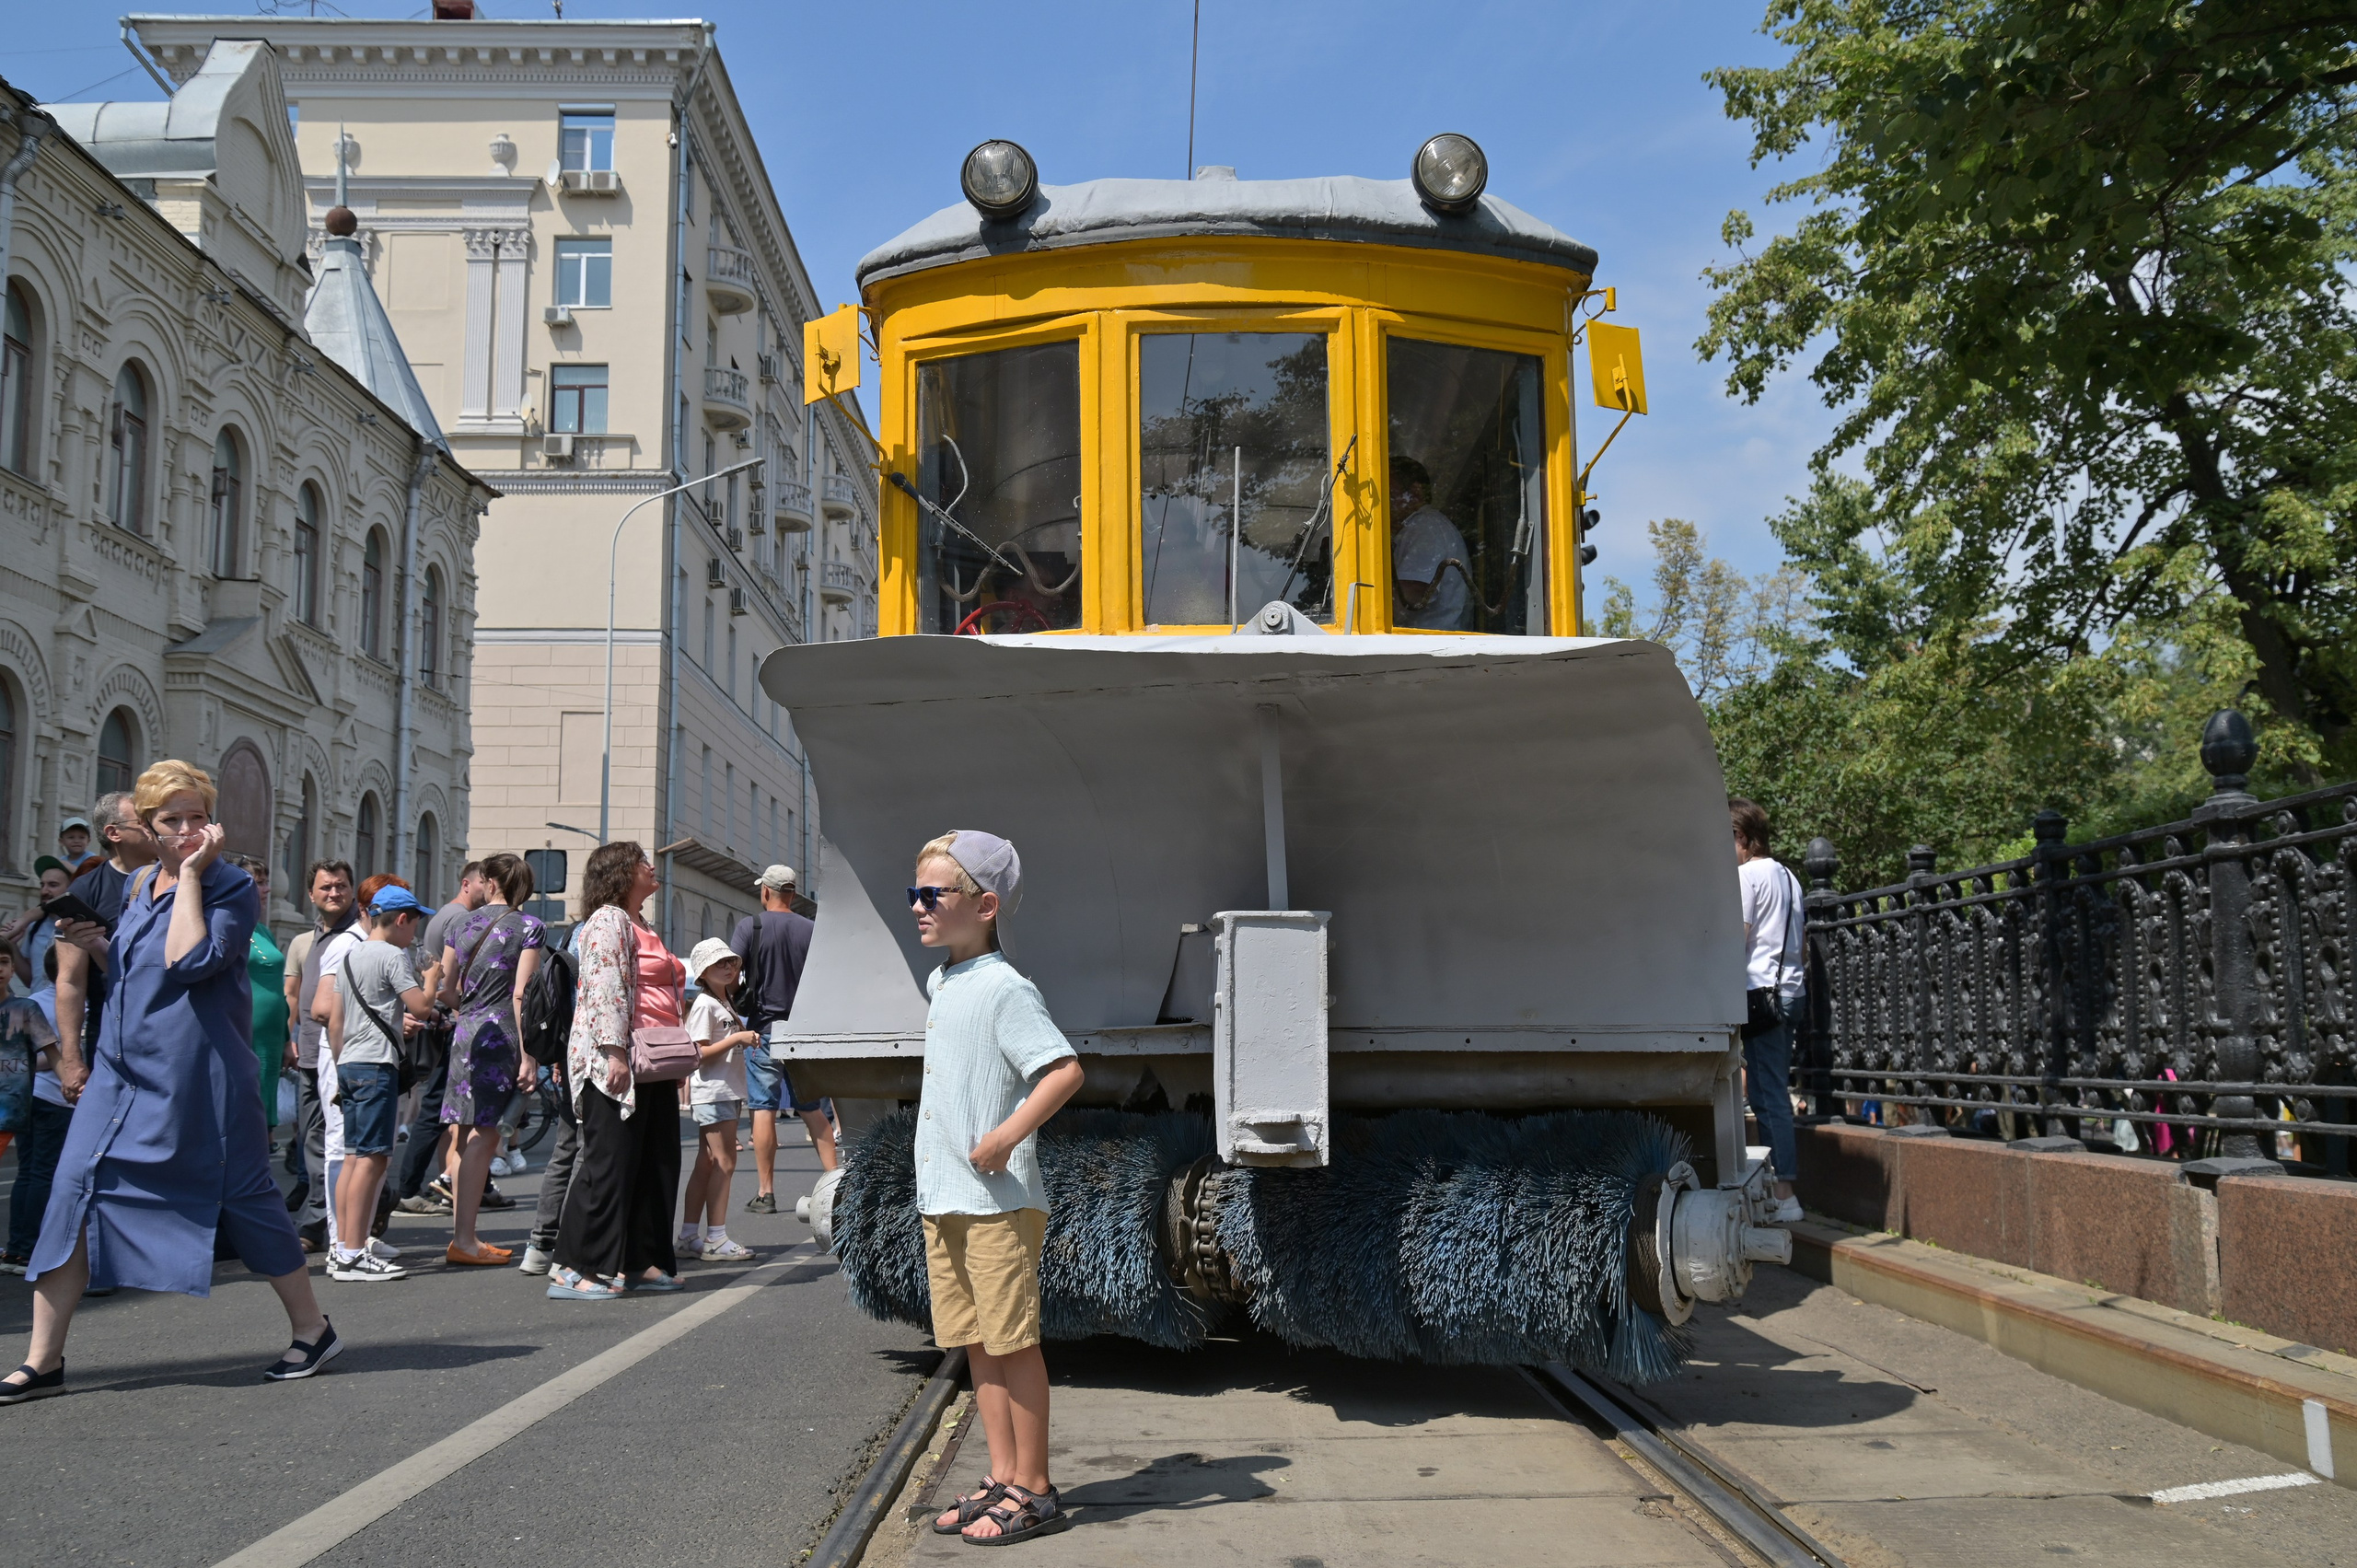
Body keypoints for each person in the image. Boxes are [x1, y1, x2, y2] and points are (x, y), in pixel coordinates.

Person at [5, 761, 337, 1403]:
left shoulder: (230, 887)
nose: (186, 831)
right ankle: (42, 1357)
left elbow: (188, 961)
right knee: (70, 1194)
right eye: (170, 821)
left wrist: (188, 875)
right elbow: (137, 973)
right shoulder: (135, 890)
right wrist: (97, 945)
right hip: (122, 1076)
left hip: (202, 1077)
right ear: (148, 828)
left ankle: (312, 1327)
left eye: (195, 817)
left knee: (245, 1196)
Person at [911, 831, 1086, 1545]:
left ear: (984, 905)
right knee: (977, 1341)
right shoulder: (943, 981)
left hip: (998, 1199)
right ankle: (1004, 1474)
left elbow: (1063, 1071)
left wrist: (1007, 1134)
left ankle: (1037, 1489)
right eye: (913, 893)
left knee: (1013, 1342)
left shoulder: (1007, 987)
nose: (917, 906)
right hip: (948, 1195)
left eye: (932, 895)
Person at [549, 842, 685, 1300]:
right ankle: (574, 1265)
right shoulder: (608, 919)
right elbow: (605, 988)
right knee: (608, 1164)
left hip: (653, 1057)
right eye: (642, 860)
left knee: (656, 1162)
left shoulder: (641, 922)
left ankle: (640, 1258)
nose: (651, 865)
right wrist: (613, 1053)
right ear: (622, 873)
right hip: (616, 1057)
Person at [325, 884, 436, 1283]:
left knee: (354, 1158)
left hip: (351, 1063)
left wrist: (341, 1066)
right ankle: (353, 1254)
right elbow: (422, 1007)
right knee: (372, 1161)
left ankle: (342, 1248)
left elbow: (335, 1022)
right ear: (402, 919)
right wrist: (434, 975)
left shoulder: (350, 955)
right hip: (376, 1066)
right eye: (415, 923)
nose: (415, 934)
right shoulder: (392, 956)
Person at [435, 853, 543, 1265]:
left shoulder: (459, 924)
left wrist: (468, 1009)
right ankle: (464, 1240)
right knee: (486, 1135)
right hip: (502, 1034)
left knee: (464, 1137)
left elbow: (445, 988)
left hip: (468, 1031)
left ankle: (464, 1237)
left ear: (490, 882)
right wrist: (530, 1055)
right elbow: (523, 994)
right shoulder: (529, 926)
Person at [730, 865, 830, 1216]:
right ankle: (836, 1184)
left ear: (766, 892)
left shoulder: (750, 926)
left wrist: (738, 995)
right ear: (791, 893)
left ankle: (766, 1192)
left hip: (763, 1030)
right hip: (803, 1031)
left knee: (764, 1109)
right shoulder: (811, 929)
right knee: (812, 1109)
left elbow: (730, 971)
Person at [393, 861, 493, 1214]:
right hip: (447, 1024)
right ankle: (409, 1187)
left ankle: (452, 1180)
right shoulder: (458, 919)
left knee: (445, 1110)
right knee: (437, 1108)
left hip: (441, 1022)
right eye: (486, 882)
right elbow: (454, 979)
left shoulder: (451, 916)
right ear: (467, 883)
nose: (490, 888)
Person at [1732, 797, 1805, 1225]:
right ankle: (1779, 1189)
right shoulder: (1790, 876)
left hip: (1760, 996)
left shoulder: (1745, 876)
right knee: (1770, 1091)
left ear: (1741, 838)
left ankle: (1785, 1194)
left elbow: (1735, 941)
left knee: (1766, 1096)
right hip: (1789, 994)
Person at [284, 861, 358, 1249]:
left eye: (341, 886)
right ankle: (324, 1217)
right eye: (326, 888)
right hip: (311, 1051)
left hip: (346, 1053)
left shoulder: (359, 933)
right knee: (314, 1139)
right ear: (311, 894)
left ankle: (331, 1221)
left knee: (342, 1142)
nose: (334, 893)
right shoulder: (310, 936)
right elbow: (294, 995)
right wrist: (289, 1038)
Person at [679, 938, 756, 1262]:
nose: (726, 968)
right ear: (703, 973)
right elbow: (698, 1052)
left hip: (724, 1090)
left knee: (708, 1162)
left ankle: (688, 1236)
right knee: (724, 1162)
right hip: (715, 1091)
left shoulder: (723, 1003)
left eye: (729, 962)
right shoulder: (706, 1005)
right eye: (718, 964)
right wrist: (738, 1037)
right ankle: (715, 1237)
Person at [2, 947, 71, 1272]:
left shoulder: (27, 1006)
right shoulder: (34, 1004)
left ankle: (19, 1249)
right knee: (39, 1173)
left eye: (4, 962)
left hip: (19, 1106)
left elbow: (49, 1052)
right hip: (31, 1104)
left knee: (31, 1173)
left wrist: (69, 1080)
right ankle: (22, 1249)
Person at [231, 855, 291, 1136]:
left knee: (265, 1118)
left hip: (270, 1041)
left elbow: (279, 988)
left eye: (266, 882)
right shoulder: (229, 926)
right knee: (244, 1116)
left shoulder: (262, 931)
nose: (267, 890)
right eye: (259, 883)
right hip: (244, 1038)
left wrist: (287, 1040)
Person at [1388, 454, 1473, 632]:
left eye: (1390, 494)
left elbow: (1411, 595)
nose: (1384, 503)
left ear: (1415, 493)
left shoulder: (1424, 528)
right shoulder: (1424, 525)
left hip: (1430, 644)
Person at [3, 856, 73, 988]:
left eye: (53, 885)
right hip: (38, 1006)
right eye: (42, 885)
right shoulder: (35, 927)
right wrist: (12, 945)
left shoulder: (80, 926)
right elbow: (30, 981)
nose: (44, 891)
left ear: (71, 887)